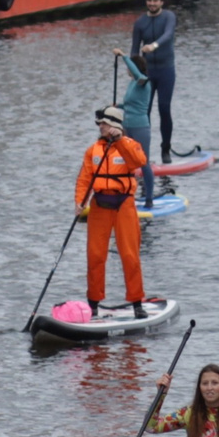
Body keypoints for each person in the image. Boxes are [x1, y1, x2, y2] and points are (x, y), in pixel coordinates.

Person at [75, 104, 152, 315]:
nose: (100, 127)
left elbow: (139, 162)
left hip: (124, 205)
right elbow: (85, 178)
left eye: (104, 123)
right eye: (100, 124)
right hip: (100, 205)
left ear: (113, 125)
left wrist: (120, 140)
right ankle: (93, 303)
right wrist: (80, 202)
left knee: (129, 255)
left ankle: (137, 302)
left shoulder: (130, 145)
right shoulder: (93, 150)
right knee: (95, 255)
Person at [129, 0, 180, 162]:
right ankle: (142, 153)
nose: (152, 3)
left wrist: (153, 46)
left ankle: (165, 148)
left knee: (164, 108)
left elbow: (168, 35)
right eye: (149, 0)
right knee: (144, 112)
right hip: (148, 73)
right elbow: (135, 49)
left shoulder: (169, 17)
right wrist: (132, 69)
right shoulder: (140, 23)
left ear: (161, 2)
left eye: (156, 0)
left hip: (166, 70)